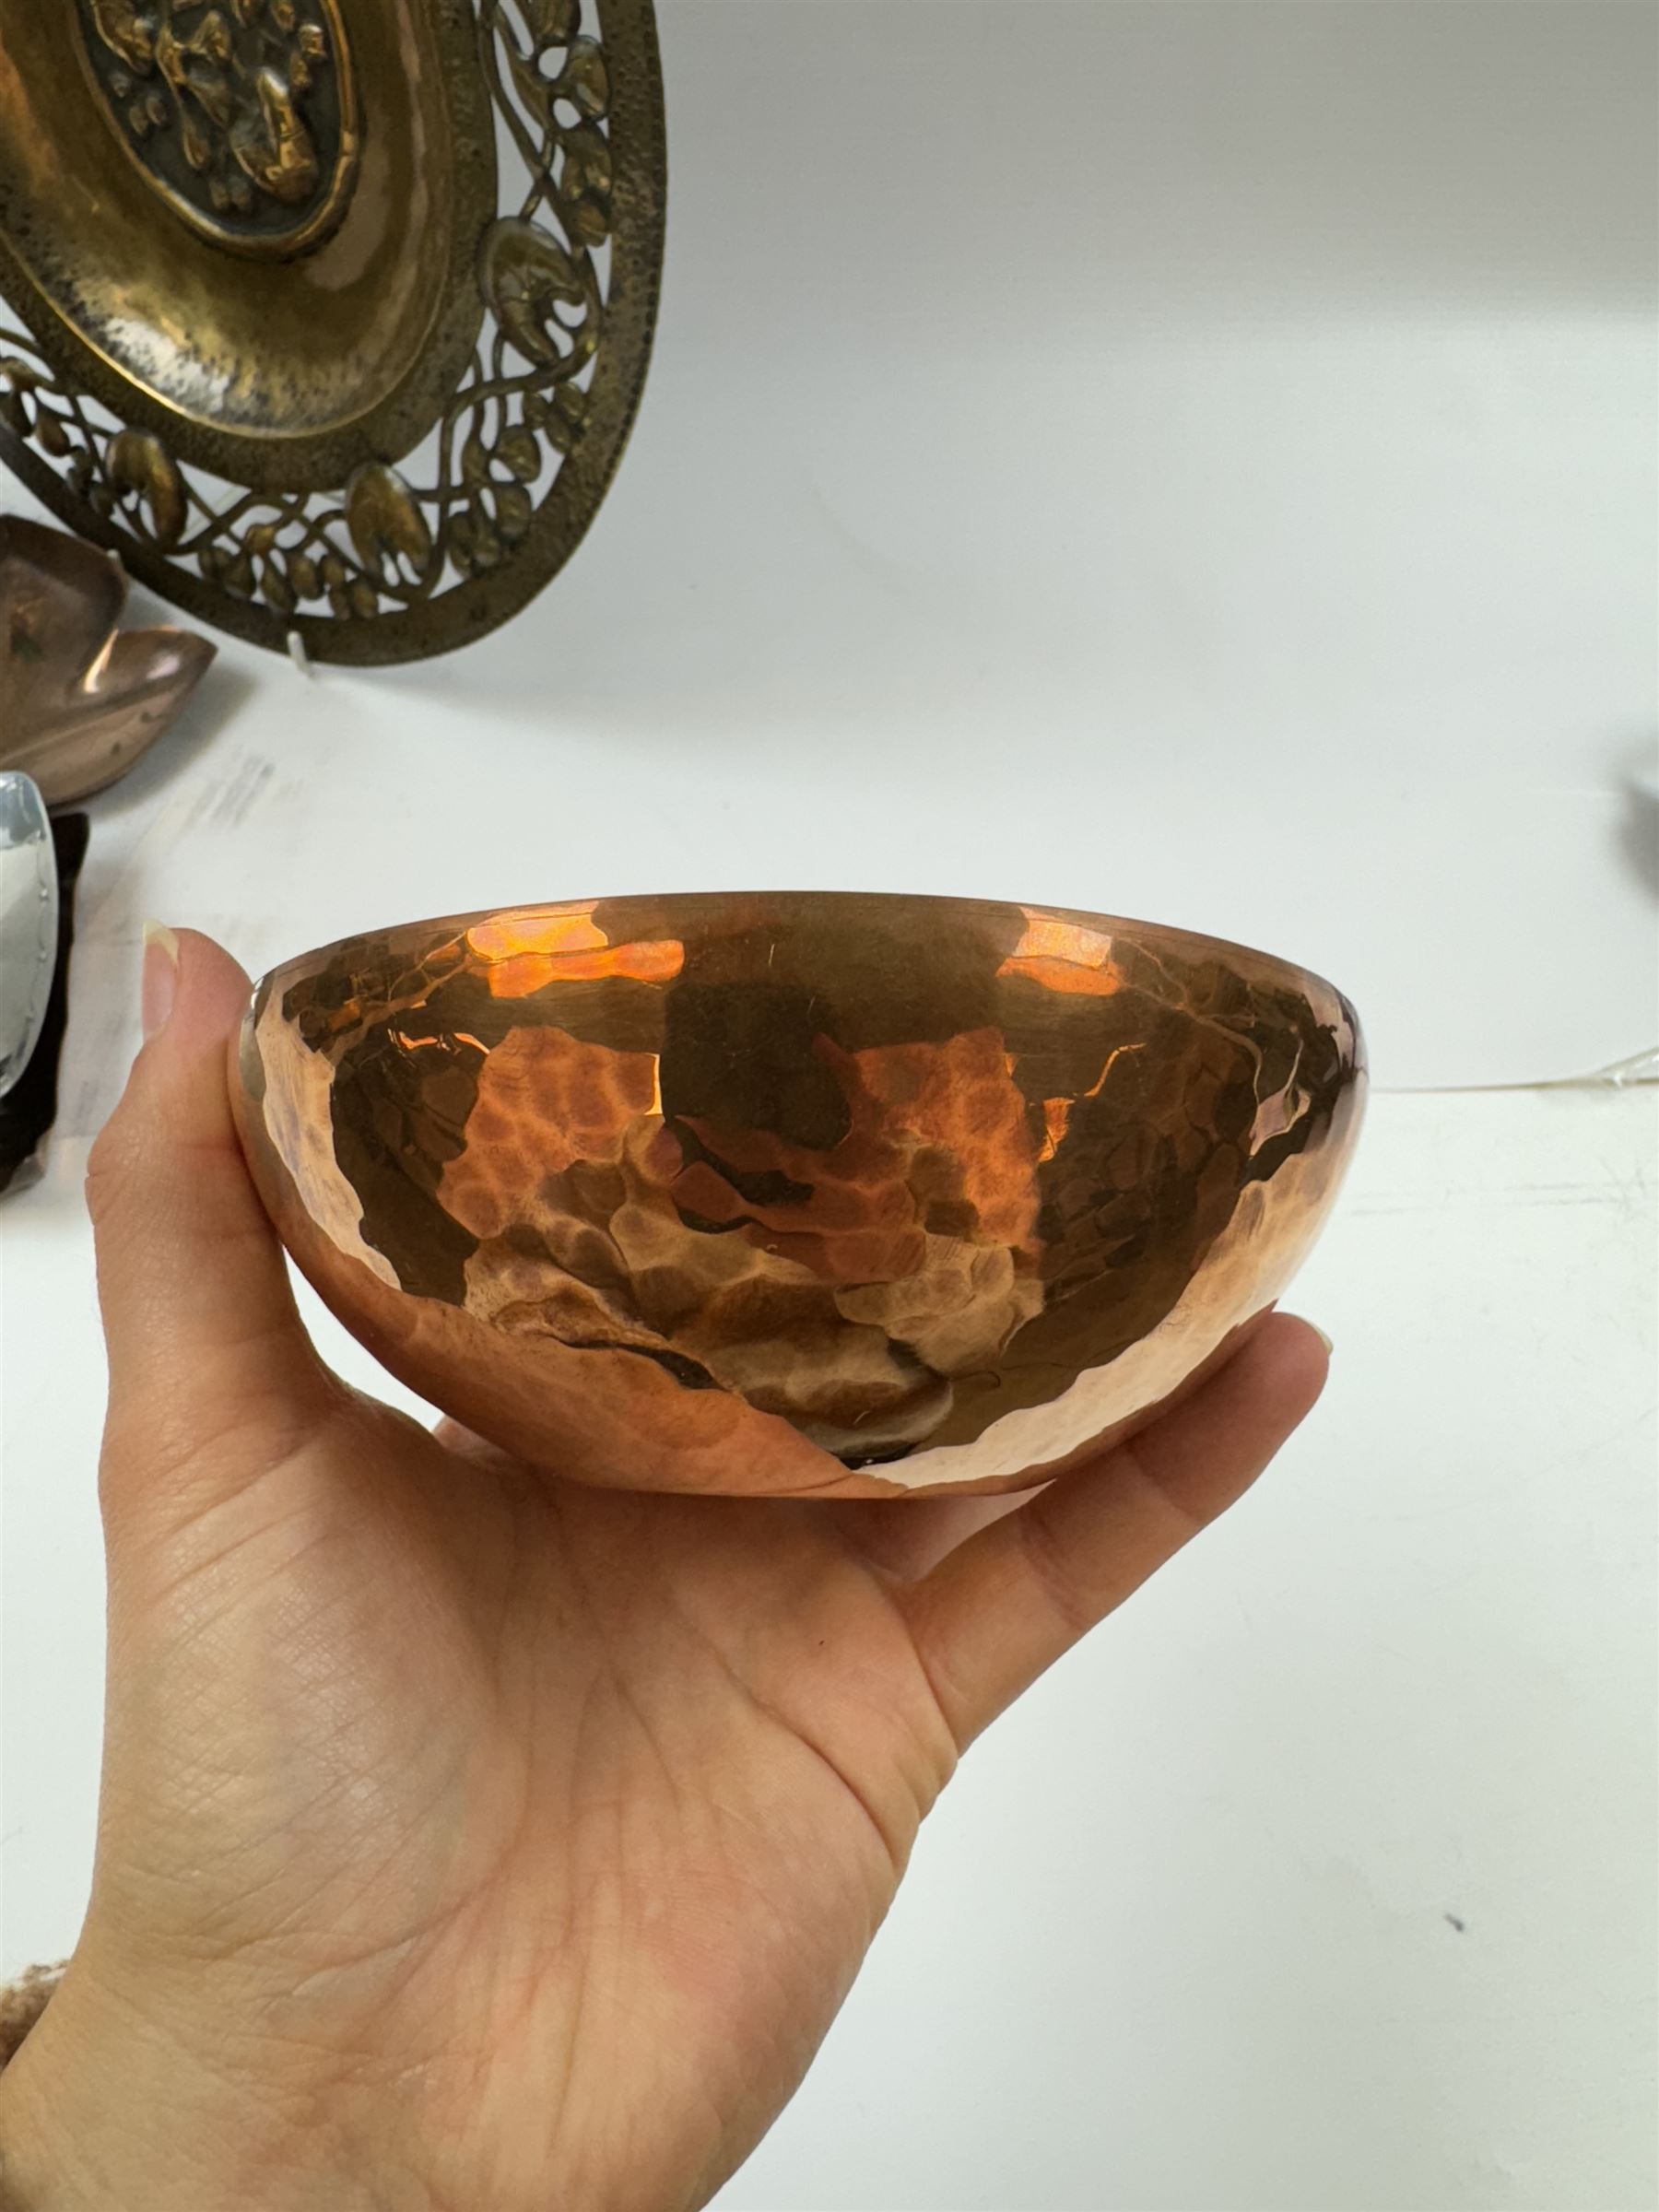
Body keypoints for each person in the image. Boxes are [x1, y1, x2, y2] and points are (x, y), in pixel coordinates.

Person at [0, 930, 1330, 2211]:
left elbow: (985, 1264)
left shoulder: (940, 1186)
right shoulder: (582, 1193)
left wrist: (235, 2131)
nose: (773, 1154)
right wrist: (266, 2089)